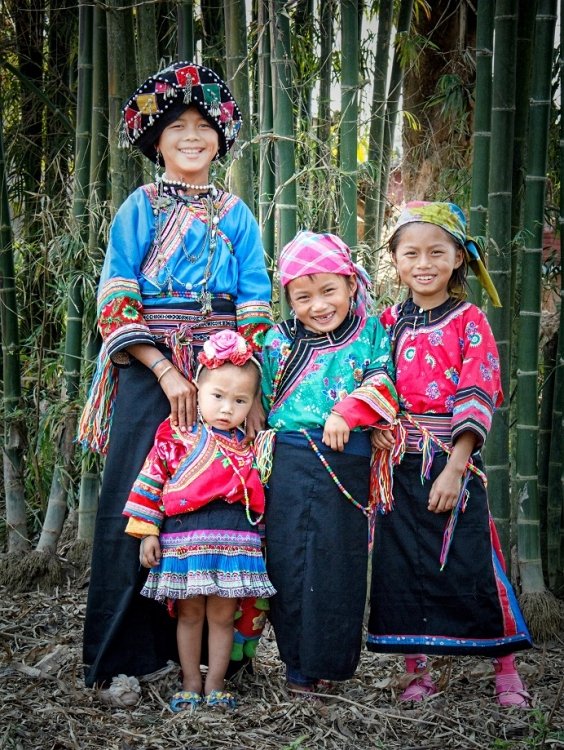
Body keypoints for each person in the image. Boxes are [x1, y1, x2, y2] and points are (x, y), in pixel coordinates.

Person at [78, 61, 272, 688]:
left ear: (221, 137)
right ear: (155, 141)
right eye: (177, 126)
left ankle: (203, 661)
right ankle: (118, 660)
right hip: (147, 368)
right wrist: (164, 370)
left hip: (223, 376)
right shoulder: (139, 207)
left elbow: (255, 299)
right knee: (135, 504)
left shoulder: (237, 214)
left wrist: (241, 380)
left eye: (204, 125)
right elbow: (116, 297)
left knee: (213, 500)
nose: (192, 135)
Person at [367, 201, 532, 707]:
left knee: (474, 560)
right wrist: (375, 424)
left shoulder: (470, 321)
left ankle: (506, 670)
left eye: (437, 252)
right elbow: (373, 383)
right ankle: (417, 672)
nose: (424, 263)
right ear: (394, 259)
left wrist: (456, 467)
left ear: (459, 258)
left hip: (451, 460)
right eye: (410, 252)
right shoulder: (385, 321)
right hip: (396, 465)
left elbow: (478, 387)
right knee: (401, 564)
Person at [257, 231, 398, 695]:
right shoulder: (275, 341)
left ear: (351, 284)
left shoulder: (372, 331)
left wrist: (348, 412)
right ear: (288, 299)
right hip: (289, 460)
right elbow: (257, 398)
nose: (318, 305)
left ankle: (331, 664)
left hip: (347, 457)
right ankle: (296, 668)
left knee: (337, 562)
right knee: (288, 560)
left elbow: (384, 380)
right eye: (303, 296)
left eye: (328, 291)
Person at [122, 331, 275, 711]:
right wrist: (147, 533)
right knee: (189, 614)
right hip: (184, 539)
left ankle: (217, 683)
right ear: (196, 389)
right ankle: (190, 680)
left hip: (236, 540)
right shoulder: (175, 436)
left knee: (223, 617)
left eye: (240, 400)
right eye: (217, 396)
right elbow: (151, 480)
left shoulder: (253, 442)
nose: (227, 408)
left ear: (253, 403)